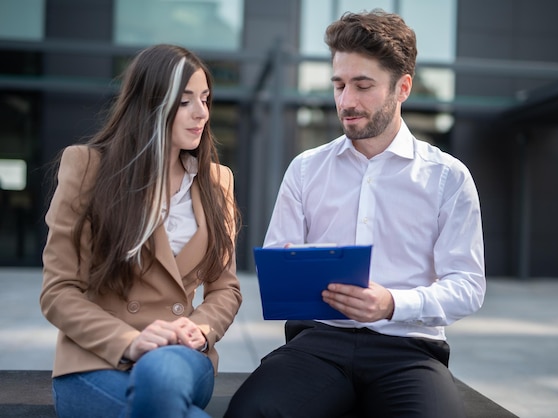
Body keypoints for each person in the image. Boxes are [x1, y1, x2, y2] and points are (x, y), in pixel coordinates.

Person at [225, 9, 485, 418]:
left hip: (409, 350)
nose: (346, 101)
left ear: (403, 87)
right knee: (253, 414)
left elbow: (468, 286)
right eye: (340, 85)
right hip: (318, 343)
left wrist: (392, 304)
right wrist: (294, 266)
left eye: (363, 86)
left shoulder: (447, 177)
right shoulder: (306, 168)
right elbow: (277, 259)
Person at [40, 44, 242, 418]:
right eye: (184, 102)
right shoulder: (87, 168)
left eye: (205, 99)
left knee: (160, 371)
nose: (202, 113)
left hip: (181, 358)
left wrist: (200, 328)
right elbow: (58, 291)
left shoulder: (217, 181)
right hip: (96, 360)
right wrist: (130, 342)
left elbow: (224, 287)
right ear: (149, 104)